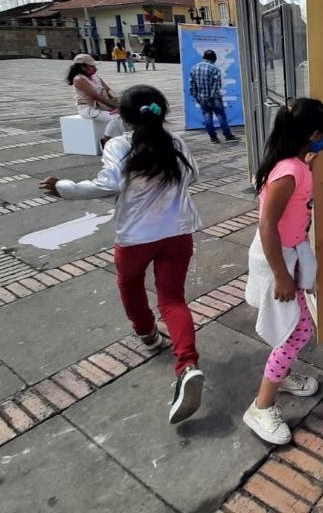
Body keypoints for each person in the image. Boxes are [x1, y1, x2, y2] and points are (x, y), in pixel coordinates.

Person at [39, 85, 205, 424]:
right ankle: (187, 365)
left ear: (124, 117)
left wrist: (64, 188)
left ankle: (147, 335)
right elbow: (193, 175)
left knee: (129, 286)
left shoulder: (119, 145)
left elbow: (108, 184)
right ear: (161, 112)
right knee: (173, 300)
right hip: (178, 233)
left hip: (135, 238)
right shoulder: (175, 143)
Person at [243, 98, 323, 444]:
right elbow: (268, 226)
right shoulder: (289, 173)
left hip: (289, 256)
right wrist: (281, 275)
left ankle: (281, 376)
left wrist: (306, 162)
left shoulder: (292, 164)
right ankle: (262, 406)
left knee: (292, 329)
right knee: (296, 332)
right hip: (279, 260)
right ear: (312, 134)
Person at [66, 54, 123, 145]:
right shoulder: (79, 79)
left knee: (125, 115)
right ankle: (105, 141)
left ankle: (118, 140)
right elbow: (96, 97)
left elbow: (108, 89)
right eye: (91, 66)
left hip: (102, 106)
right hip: (89, 108)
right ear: (82, 67)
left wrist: (114, 97)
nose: (94, 69)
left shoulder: (95, 77)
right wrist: (115, 107)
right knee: (116, 117)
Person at [188, 49, 238, 144]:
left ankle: (213, 138)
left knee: (207, 117)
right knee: (221, 116)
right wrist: (211, 96)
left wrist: (197, 97)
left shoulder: (194, 68)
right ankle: (228, 136)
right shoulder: (215, 69)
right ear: (214, 59)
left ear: (204, 57)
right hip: (214, 98)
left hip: (202, 98)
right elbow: (217, 86)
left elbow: (192, 85)